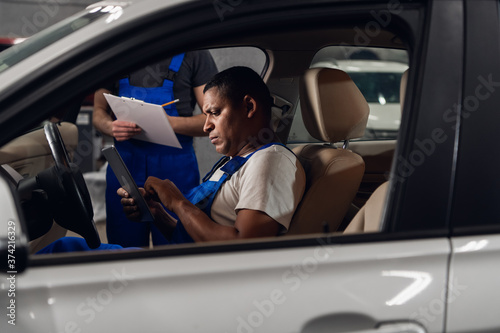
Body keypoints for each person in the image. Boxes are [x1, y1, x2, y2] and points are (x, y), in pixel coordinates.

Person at [36, 66, 306, 253]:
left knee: (61, 251)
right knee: (66, 247)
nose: (205, 126)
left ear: (249, 107)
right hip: (190, 260)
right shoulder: (236, 161)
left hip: (201, 278)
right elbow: (201, 235)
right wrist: (158, 214)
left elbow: (242, 246)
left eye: (214, 113)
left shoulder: (270, 162)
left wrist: (177, 201)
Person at [93, 50, 218, 247]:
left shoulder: (195, 54)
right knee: (123, 249)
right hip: (125, 165)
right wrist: (110, 126)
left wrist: (166, 123)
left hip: (176, 167)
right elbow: (98, 112)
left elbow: (212, 118)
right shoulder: (116, 51)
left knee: (177, 244)